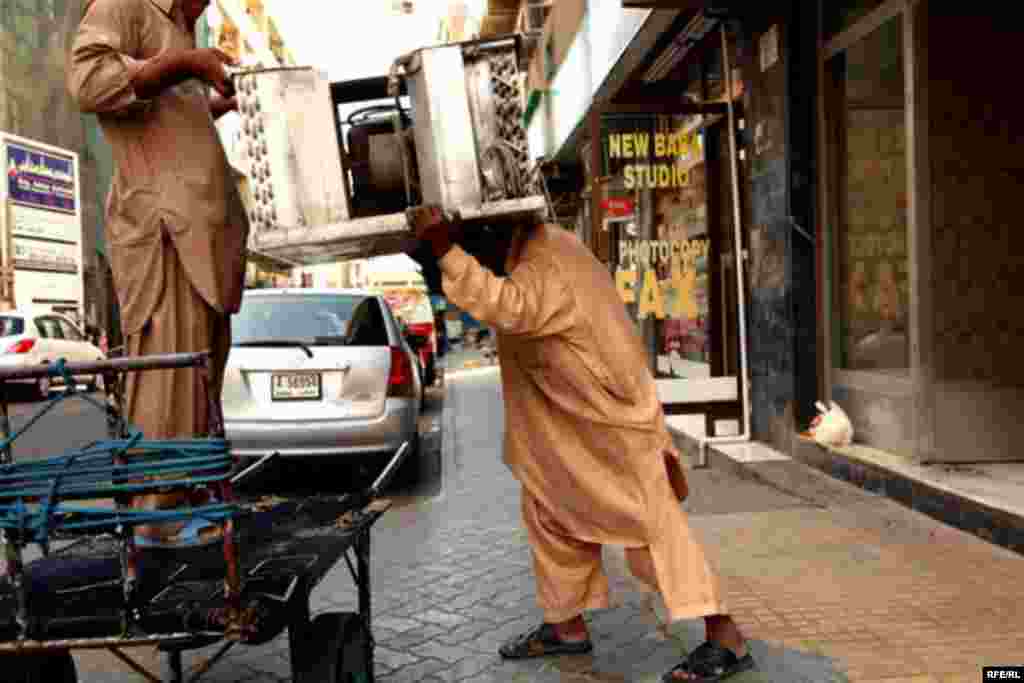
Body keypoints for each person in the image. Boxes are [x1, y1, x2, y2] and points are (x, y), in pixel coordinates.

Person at [407, 207, 753, 682]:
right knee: (549, 512)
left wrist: (446, 250)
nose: (470, 256)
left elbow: (510, 307)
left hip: (610, 422)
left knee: (651, 525)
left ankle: (725, 636)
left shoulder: (546, 258)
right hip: (568, 425)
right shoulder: (535, 249)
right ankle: (565, 624)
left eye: (467, 244)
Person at [67, 0, 249, 545]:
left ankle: (187, 496)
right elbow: (89, 83)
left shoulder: (179, 28)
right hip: (164, 236)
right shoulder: (128, 6)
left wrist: (216, 103)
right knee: (170, 371)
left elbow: (162, 119)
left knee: (199, 376)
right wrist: (182, 64)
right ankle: (159, 514)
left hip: (202, 239)